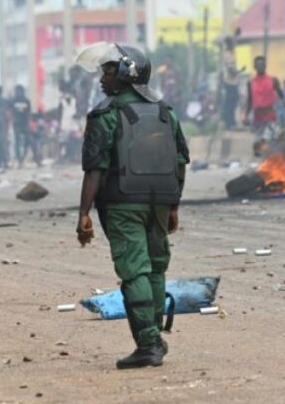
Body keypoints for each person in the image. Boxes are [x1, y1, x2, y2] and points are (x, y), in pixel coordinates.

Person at [75, 42, 189, 370]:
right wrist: (173, 206)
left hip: (122, 205)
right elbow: (180, 161)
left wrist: (83, 214)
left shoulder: (105, 115)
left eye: (108, 71)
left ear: (127, 74)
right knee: (154, 267)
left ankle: (149, 343)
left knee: (134, 269)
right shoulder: (167, 113)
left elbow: (95, 168)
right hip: (158, 202)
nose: (102, 78)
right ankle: (152, 337)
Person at [245, 56, 284, 153]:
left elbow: (280, 93)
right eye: (258, 65)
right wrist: (245, 115)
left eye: (262, 64)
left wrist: (284, 100)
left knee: (272, 140)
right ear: (254, 66)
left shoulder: (273, 80)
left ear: (265, 66)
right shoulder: (250, 82)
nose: (260, 66)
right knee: (258, 143)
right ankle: (262, 160)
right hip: (258, 116)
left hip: (270, 114)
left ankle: (274, 161)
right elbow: (250, 100)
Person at [10, 84, 33, 168]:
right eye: (17, 91)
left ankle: (22, 158)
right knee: (17, 141)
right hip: (16, 124)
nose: (18, 93)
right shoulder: (13, 101)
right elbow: (10, 111)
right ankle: (19, 160)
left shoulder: (27, 101)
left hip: (25, 123)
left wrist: (29, 123)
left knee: (27, 141)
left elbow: (29, 113)